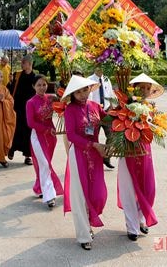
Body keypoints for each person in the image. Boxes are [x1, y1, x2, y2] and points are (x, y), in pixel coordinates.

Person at [63, 75, 108, 251]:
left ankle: (90, 220)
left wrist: (128, 112)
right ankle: (83, 235)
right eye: (78, 92)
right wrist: (93, 145)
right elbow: (72, 135)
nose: (82, 94)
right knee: (80, 195)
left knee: (98, 194)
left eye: (85, 90)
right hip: (80, 155)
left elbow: (110, 122)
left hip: (95, 156)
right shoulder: (70, 110)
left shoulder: (96, 106)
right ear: (73, 94)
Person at [117, 73, 164, 241]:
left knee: (149, 188)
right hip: (128, 151)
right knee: (129, 190)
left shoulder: (151, 108)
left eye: (147, 88)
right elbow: (115, 125)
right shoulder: (125, 105)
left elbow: (156, 129)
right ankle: (132, 226)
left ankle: (141, 219)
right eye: (141, 87)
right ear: (134, 88)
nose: (144, 91)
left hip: (145, 152)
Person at [26, 74, 63, 208]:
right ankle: (50, 195)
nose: (42, 87)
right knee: (46, 165)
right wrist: (46, 130)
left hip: (51, 137)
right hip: (38, 137)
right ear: (33, 87)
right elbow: (31, 123)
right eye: (39, 85)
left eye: (44, 84)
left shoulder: (51, 99)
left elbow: (64, 105)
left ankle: (39, 187)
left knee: (44, 164)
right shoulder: (30, 102)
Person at [8, 55, 36, 165]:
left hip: (30, 110)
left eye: (23, 63)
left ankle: (27, 156)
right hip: (18, 108)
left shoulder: (35, 77)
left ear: (29, 64)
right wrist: (11, 82)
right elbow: (10, 89)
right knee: (15, 130)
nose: (21, 64)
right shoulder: (17, 75)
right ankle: (11, 149)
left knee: (28, 133)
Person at [88, 66, 116, 169]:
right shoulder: (89, 80)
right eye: (98, 64)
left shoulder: (106, 79)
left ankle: (106, 158)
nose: (100, 67)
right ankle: (93, 160)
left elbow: (110, 94)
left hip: (106, 112)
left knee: (112, 136)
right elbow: (88, 97)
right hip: (93, 113)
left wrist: (113, 108)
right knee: (91, 137)